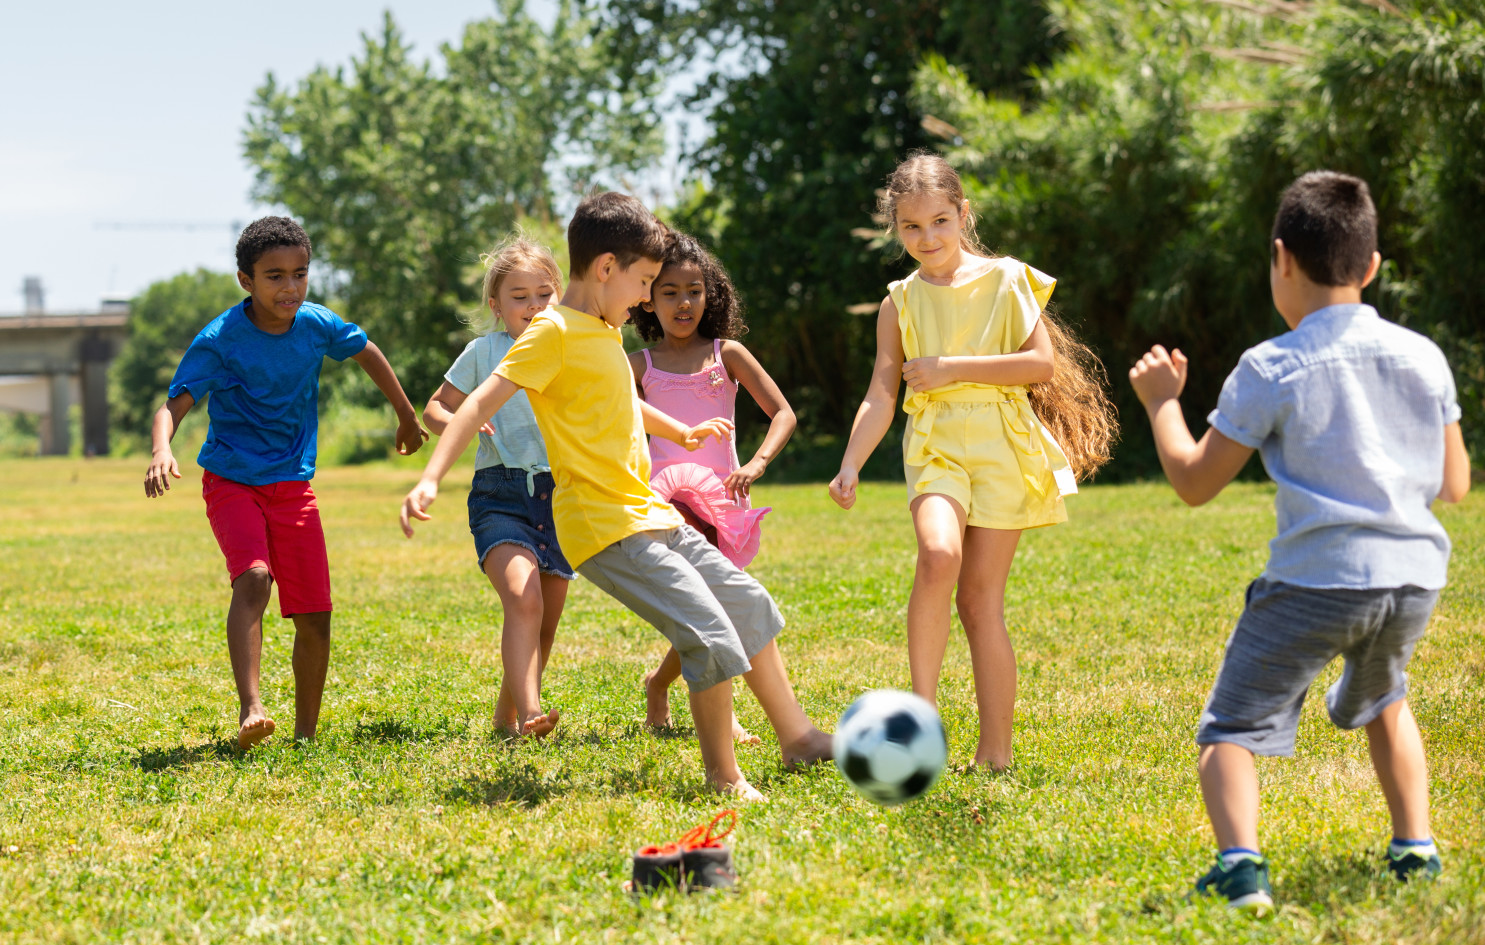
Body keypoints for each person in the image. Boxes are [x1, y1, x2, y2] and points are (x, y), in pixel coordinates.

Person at [400, 192, 832, 800]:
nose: (646, 297)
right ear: (606, 268)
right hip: (603, 525)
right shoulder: (550, 333)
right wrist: (430, 477)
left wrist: (677, 429)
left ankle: (798, 739)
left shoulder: (602, 329)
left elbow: (618, 402)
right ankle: (724, 775)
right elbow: (478, 402)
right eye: (646, 281)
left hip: (647, 511)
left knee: (748, 603)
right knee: (708, 632)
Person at [1129, 170, 1469, 908]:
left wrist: (1162, 404)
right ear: (1372, 265)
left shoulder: (1271, 364)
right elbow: (1455, 484)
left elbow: (1193, 480)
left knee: (1230, 725)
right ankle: (1415, 849)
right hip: (1411, 579)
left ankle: (1240, 869)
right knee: (1385, 698)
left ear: (1280, 258)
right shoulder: (1422, 356)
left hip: (1317, 580)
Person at [829, 152, 1115, 771]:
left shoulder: (1009, 279)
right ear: (895, 229)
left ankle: (995, 754)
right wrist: (851, 462)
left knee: (981, 602)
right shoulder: (898, 302)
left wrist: (949, 368)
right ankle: (918, 722)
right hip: (935, 443)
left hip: (1002, 443)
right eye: (910, 227)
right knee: (938, 554)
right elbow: (882, 391)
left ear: (964, 214)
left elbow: (1040, 364)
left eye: (939, 221)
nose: (926, 238)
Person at [144, 216, 426, 749]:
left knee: (315, 613)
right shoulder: (222, 338)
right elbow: (173, 405)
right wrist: (163, 449)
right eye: (274, 276)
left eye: (299, 274)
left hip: (293, 485)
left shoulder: (316, 324)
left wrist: (406, 416)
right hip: (232, 481)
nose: (290, 287)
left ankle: (304, 736)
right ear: (245, 281)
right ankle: (252, 708)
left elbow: (366, 350)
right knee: (253, 578)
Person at [627, 230, 796, 742]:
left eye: (694, 290)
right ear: (648, 300)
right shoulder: (639, 365)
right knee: (704, 606)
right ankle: (717, 710)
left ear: (711, 294)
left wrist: (758, 463)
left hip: (721, 503)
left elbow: (783, 413)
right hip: (665, 508)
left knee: (719, 604)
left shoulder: (729, 355)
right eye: (670, 292)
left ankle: (659, 684)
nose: (684, 303)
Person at [423, 236, 570, 738]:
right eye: (519, 296)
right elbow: (435, 408)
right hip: (500, 493)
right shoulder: (484, 351)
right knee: (523, 600)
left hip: (562, 497)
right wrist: (460, 424)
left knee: (544, 621)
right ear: (496, 305)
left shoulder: (570, 347)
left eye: (544, 294)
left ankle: (507, 718)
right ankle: (531, 710)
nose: (533, 306)